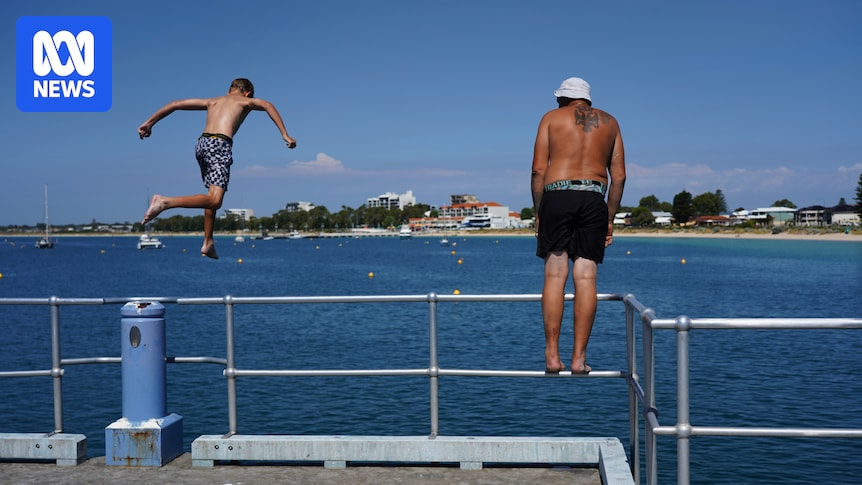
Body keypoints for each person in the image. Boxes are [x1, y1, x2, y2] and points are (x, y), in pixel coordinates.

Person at [138, 78, 297, 259]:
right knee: (215, 201)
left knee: (210, 195)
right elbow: (267, 105)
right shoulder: (245, 101)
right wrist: (285, 134)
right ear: (248, 93)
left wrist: (149, 123)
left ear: (229, 90)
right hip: (220, 144)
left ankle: (208, 241)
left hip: (202, 144)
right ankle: (165, 202)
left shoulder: (212, 101)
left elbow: (175, 104)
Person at [530, 77, 626, 374]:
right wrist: (609, 218)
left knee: (555, 274)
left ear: (562, 99)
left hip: (557, 195)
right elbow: (619, 177)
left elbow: (538, 171)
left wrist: (539, 212)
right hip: (594, 197)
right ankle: (579, 359)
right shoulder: (611, 122)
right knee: (586, 278)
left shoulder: (551, 118)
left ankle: (552, 356)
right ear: (587, 99)